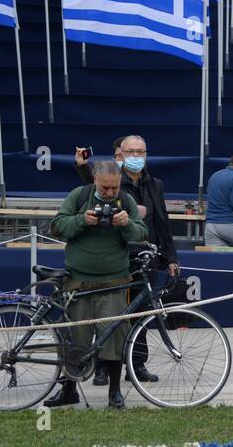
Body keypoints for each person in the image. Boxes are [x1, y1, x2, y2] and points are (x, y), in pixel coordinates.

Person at [44, 159, 149, 409]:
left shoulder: (127, 202)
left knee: (112, 338)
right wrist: (82, 220)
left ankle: (115, 391)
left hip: (114, 281)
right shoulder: (79, 196)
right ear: (95, 181)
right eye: (105, 189)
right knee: (74, 339)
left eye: (114, 188)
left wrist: (126, 224)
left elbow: (142, 234)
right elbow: (56, 227)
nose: (110, 194)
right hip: (78, 283)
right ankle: (69, 388)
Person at [76, 135, 177, 386]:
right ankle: (101, 365)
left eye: (140, 151)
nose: (136, 156)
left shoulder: (155, 184)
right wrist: (81, 167)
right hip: (116, 257)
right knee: (108, 313)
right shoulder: (114, 182)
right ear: (120, 154)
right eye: (130, 151)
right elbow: (93, 184)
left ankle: (137, 364)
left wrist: (171, 257)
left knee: (142, 312)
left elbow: (162, 222)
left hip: (146, 258)